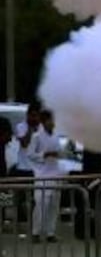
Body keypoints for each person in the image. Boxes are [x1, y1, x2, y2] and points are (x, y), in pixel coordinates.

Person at [28, 109, 63, 243]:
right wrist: (44, 155)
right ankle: (36, 232)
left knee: (54, 204)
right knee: (41, 203)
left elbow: (60, 152)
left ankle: (50, 232)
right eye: (50, 120)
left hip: (56, 173)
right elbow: (30, 154)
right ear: (44, 121)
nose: (53, 123)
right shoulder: (36, 137)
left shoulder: (56, 135)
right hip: (42, 174)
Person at [13, 102, 41, 223]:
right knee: (21, 197)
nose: (34, 118)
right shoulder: (21, 126)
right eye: (32, 116)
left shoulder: (42, 128)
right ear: (28, 115)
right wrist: (30, 129)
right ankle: (21, 222)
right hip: (23, 167)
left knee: (37, 198)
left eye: (37, 116)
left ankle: (34, 221)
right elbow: (24, 143)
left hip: (37, 168)